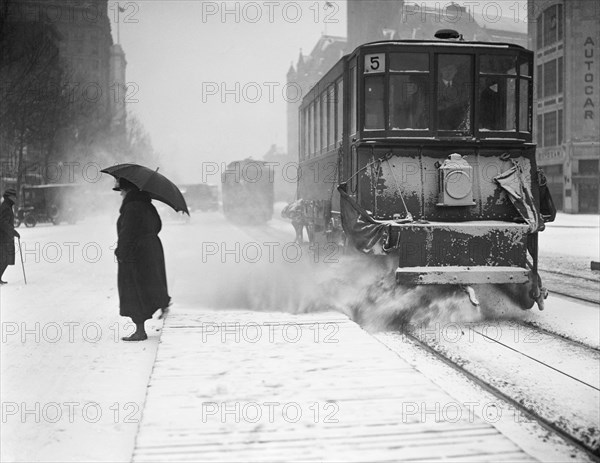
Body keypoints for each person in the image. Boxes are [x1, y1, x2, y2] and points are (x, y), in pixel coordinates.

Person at [113, 178, 171, 341]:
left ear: (129, 190)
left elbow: (127, 232)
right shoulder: (147, 205)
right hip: (151, 249)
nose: (121, 194)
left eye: (123, 190)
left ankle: (140, 331)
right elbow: (158, 225)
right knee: (152, 282)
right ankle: (162, 302)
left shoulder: (131, 207)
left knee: (133, 290)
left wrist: (121, 252)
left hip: (135, 254)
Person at [437, 62, 470, 131]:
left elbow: (464, 104)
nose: (448, 72)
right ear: (441, 70)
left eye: (451, 69)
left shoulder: (461, 86)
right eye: (445, 69)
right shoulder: (435, 85)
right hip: (438, 125)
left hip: (457, 126)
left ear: (455, 71)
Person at [0, 188, 20, 285]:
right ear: (9, 197)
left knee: (5, 259)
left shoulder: (6, 206)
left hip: (6, 236)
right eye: (14, 196)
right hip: (4, 238)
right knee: (5, 258)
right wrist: (13, 232)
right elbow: (3, 223)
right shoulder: (5, 207)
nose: (15, 198)